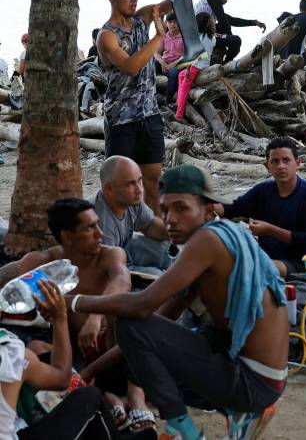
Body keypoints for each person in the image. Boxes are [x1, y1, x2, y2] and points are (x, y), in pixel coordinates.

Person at [67, 164, 288, 440]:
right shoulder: (225, 236)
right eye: (165, 209)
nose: (170, 219)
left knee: (129, 324)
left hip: (251, 382)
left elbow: (141, 307)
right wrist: (87, 373)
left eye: (181, 208)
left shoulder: (207, 239)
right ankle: (238, 412)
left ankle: (181, 429)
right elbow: (156, 321)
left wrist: (73, 301)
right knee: (135, 348)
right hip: (268, 379)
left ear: (208, 211)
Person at [0, 198, 155, 431]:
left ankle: (135, 396)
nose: (100, 234)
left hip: (116, 351)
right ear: (67, 237)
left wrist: (95, 315)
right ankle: (108, 398)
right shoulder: (43, 262)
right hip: (77, 355)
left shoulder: (110, 255)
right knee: (36, 349)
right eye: (90, 228)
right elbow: (5, 276)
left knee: (134, 322)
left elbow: (122, 281)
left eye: (98, 225)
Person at [0, 281, 146, 440]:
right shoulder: (12, 353)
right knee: (89, 397)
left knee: (37, 349)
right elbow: (62, 378)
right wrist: (59, 317)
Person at [96, 0, 189, 217]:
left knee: (152, 182)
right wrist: (159, 36)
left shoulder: (142, 18)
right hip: (121, 120)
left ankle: (156, 237)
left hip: (149, 115)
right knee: (119, 185)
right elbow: (131, 66)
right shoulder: (107, 36)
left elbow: (167, 5)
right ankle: (118, 237)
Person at [213, 137, 306, 278]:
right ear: (267, 166)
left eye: (286, 160)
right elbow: (231, 209)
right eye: (275, 161)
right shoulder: (263, 191)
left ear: (297, 163)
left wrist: (270, 230)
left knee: (258, 267)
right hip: (265, 257)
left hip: (301, 263)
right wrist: (206, 205)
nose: (281, 166)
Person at [88, 156, 171, 274]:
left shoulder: (130, 199)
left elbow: (150, 225)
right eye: (130, 184)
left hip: (125, 249)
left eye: (139, 180)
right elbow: (105, 270)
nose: (139, 189)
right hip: (106, 267)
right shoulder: (99, 221)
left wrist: (187, 232)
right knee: (157, 276)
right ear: (109, 189)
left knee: (169, 250)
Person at [194, 0, 265, 64]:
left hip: (202, 34)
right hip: (200, 36)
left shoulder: (209, 1)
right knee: (236, 40)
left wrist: (254, 22)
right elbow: (224, 22)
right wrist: (232, 40)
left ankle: (225, 61)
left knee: (228, 31)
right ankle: (227, 64)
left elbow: (231, 20)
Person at [175, 13, 216, 122]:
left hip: (195, 67)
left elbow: (193, 57)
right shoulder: (212, 37)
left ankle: (179, 114)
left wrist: (188, 69)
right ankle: (178, 103)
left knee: (184, 87)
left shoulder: (198, 38)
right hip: (205, 65)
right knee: (180, 75)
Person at [153, 11, 184, 107]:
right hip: (165, 63)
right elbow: (156, 53)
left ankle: (168, 99)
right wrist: (162, 62)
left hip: (178, 64)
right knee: (151, 64)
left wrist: (172, 65)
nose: (172, 24)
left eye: (175, 22)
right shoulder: (164, 36)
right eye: (170, 22)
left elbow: (185, 56)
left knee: (173, 73)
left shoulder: (183, 37)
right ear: (166, 23)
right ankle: (148, 91)